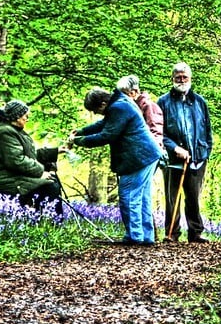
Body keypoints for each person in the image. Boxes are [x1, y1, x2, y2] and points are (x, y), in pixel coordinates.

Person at [69, 86, 162, 246]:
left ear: (103, 103)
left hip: (138, 158)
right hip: (148, 155)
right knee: (142, 197)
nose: (95, 113)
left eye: (95, 110)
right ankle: (146, 237)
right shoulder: (121, 102)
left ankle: (135, 237)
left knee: (128, 195)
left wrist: (78, 141)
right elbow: (104, 124)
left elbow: (107, 135)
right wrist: (81, 131)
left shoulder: (119, 107)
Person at [158, 62, 213, 243]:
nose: (181, 80)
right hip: (172, 158)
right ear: (172, 79)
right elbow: (158, 132)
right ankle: (172, 234)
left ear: (190, 79)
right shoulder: (163, 102)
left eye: (185, 77)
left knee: (193, 196)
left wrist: (206, 152)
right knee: (172, 197)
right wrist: (175, 148)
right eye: (178, 77)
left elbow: (207, 130)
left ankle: (195, 232)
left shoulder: (199, 101)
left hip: (197, 157)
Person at [0, 99, 66, 215]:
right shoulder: (5, 132)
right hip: (6, 179)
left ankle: (45, 219)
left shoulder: (14, 131)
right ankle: (50, 221)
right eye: (25, 116)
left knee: (51, 181)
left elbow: (29, 155)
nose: (27, 119)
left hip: (14, 175)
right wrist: (41, 172)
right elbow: (17, 161)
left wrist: (55, 151)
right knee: (50, 185)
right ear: (17, 117)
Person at [116, 75, 165, 151]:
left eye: (125, 94)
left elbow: (156, 132)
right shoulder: (129, 107)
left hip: (148, 155)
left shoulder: (149, 106)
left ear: (134, 92)